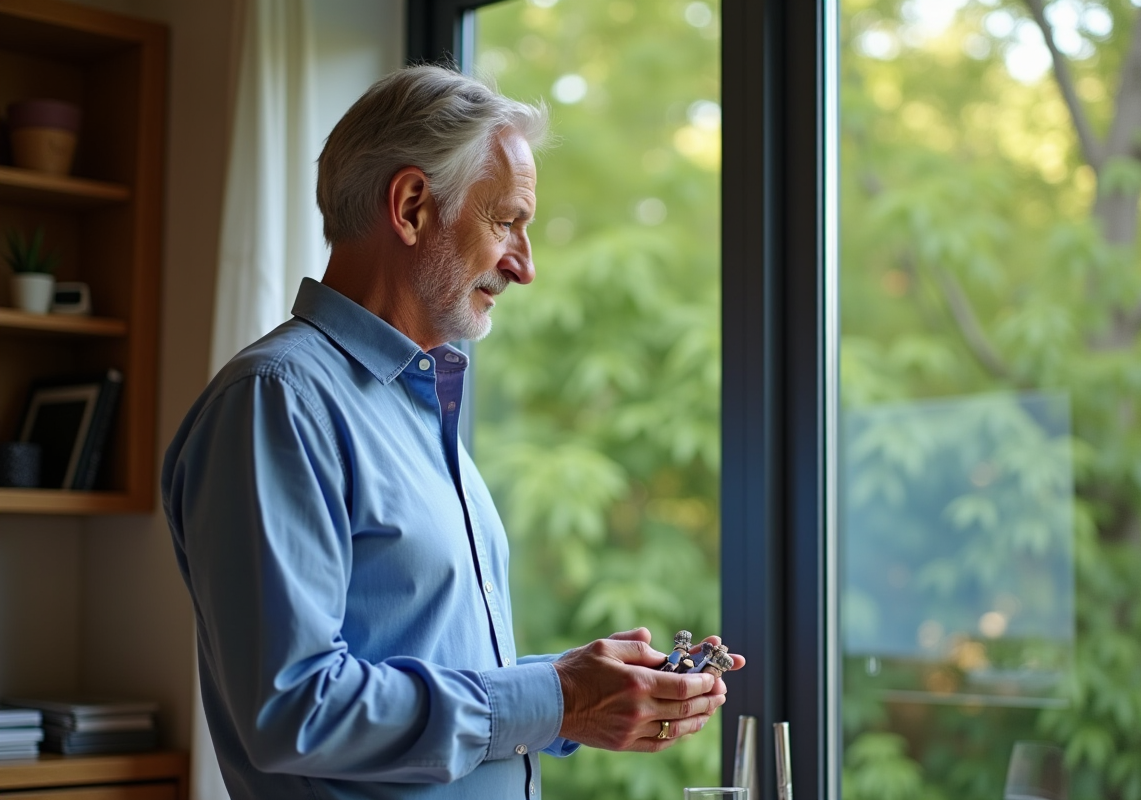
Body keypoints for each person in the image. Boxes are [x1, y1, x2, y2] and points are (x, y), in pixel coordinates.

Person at [162, 65, 742, 800]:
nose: (525, 268)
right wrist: (556, 696)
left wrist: (582, 696)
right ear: (410, 207)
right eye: (508, 221)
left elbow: (427, 669)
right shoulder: (277, 402)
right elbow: (291, 711)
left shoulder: (414, 404)